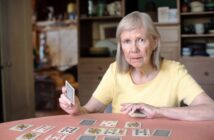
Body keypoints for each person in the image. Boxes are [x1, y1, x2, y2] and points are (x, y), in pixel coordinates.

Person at [59, 11, 214, 121]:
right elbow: (88, 111)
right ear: (121, 45)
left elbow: (210, 110)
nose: (133, 49)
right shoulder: (115, 71)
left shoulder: (175, 71)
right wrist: (76, 109)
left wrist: (158, 111)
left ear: (155, 42)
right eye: (127, 41)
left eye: (140, 40)